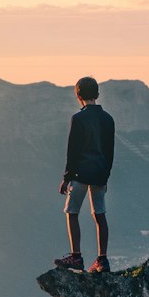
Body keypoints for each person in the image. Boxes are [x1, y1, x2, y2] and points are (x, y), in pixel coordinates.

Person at [54, 75, 114, 273]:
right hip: (99, 174)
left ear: (78, 96)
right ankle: (102, 259)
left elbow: (73, 151)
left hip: (80, 174)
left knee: (72, 212)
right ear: (97, 94)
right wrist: (105, 175)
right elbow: (109, 151)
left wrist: (66, 177)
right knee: (99, 214)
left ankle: (76, 256)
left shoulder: (78, 118)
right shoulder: (107, 119)